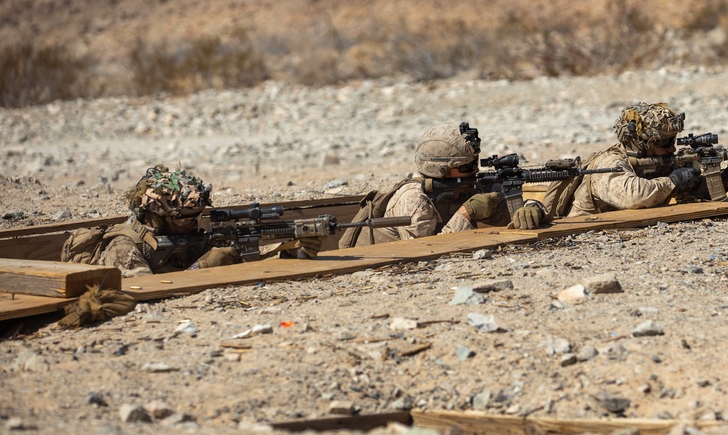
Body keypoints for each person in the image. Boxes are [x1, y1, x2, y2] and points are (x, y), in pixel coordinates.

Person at [61, 165, 325, 277]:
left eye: (196, 216)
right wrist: (204, 266)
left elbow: (242, 259)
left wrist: (292, 250)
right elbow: (143, 290)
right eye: (183, 218)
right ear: (155, 216)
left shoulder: (186, 234)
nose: (193, 223)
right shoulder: (124, 246)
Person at [338, 122, 545, 248]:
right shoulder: (414, 200)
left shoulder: (463, 186)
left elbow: (506, 208)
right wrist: (466, 214)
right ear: (441, 171)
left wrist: (531, 208)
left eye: (474, 163)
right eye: (466, 167)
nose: (475, 170)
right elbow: (423, 251)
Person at [542, 102, 728, 218]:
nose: (672, 148)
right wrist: (673, 180)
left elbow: (697, 191)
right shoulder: (609, 163)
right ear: (641, 143)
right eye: (664, 143)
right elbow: (633, 197)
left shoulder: (659, 162)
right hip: (582, 231)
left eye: (673, 140)